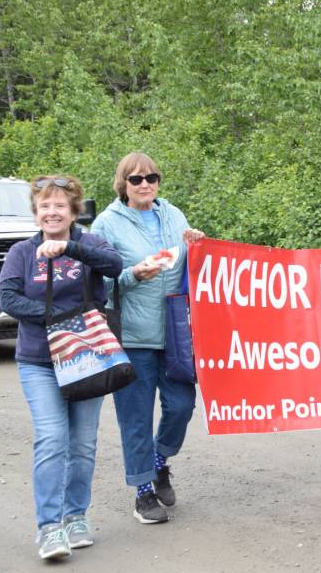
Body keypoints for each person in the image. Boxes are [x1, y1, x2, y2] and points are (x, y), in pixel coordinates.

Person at [0, 175, 123, 559]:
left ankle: (76, 516)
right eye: (45, 206)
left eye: (59, 206)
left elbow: (116, 266)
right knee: (53, 438)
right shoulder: (21, 252)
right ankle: (49, 527)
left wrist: (69, 247)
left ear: (73, 212)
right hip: (39, 360)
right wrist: (55, 315)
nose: (52, 212)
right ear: (36, 213)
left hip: (88, 357)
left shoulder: (88, 244)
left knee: (83, 444)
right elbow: (9, 297)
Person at [91, 152, 205, 524]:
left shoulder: (174, 215)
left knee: (181, 405)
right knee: (136, 417)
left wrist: (199, 245)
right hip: (131, 335)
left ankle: (159, 463)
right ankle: (142, 492)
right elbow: (97, 283)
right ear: (122, 183)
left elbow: (192, 264)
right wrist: (131, 276)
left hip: (175, 332)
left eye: (151, 177)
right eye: (136, 179)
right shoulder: (106, 224)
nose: (145, 185)